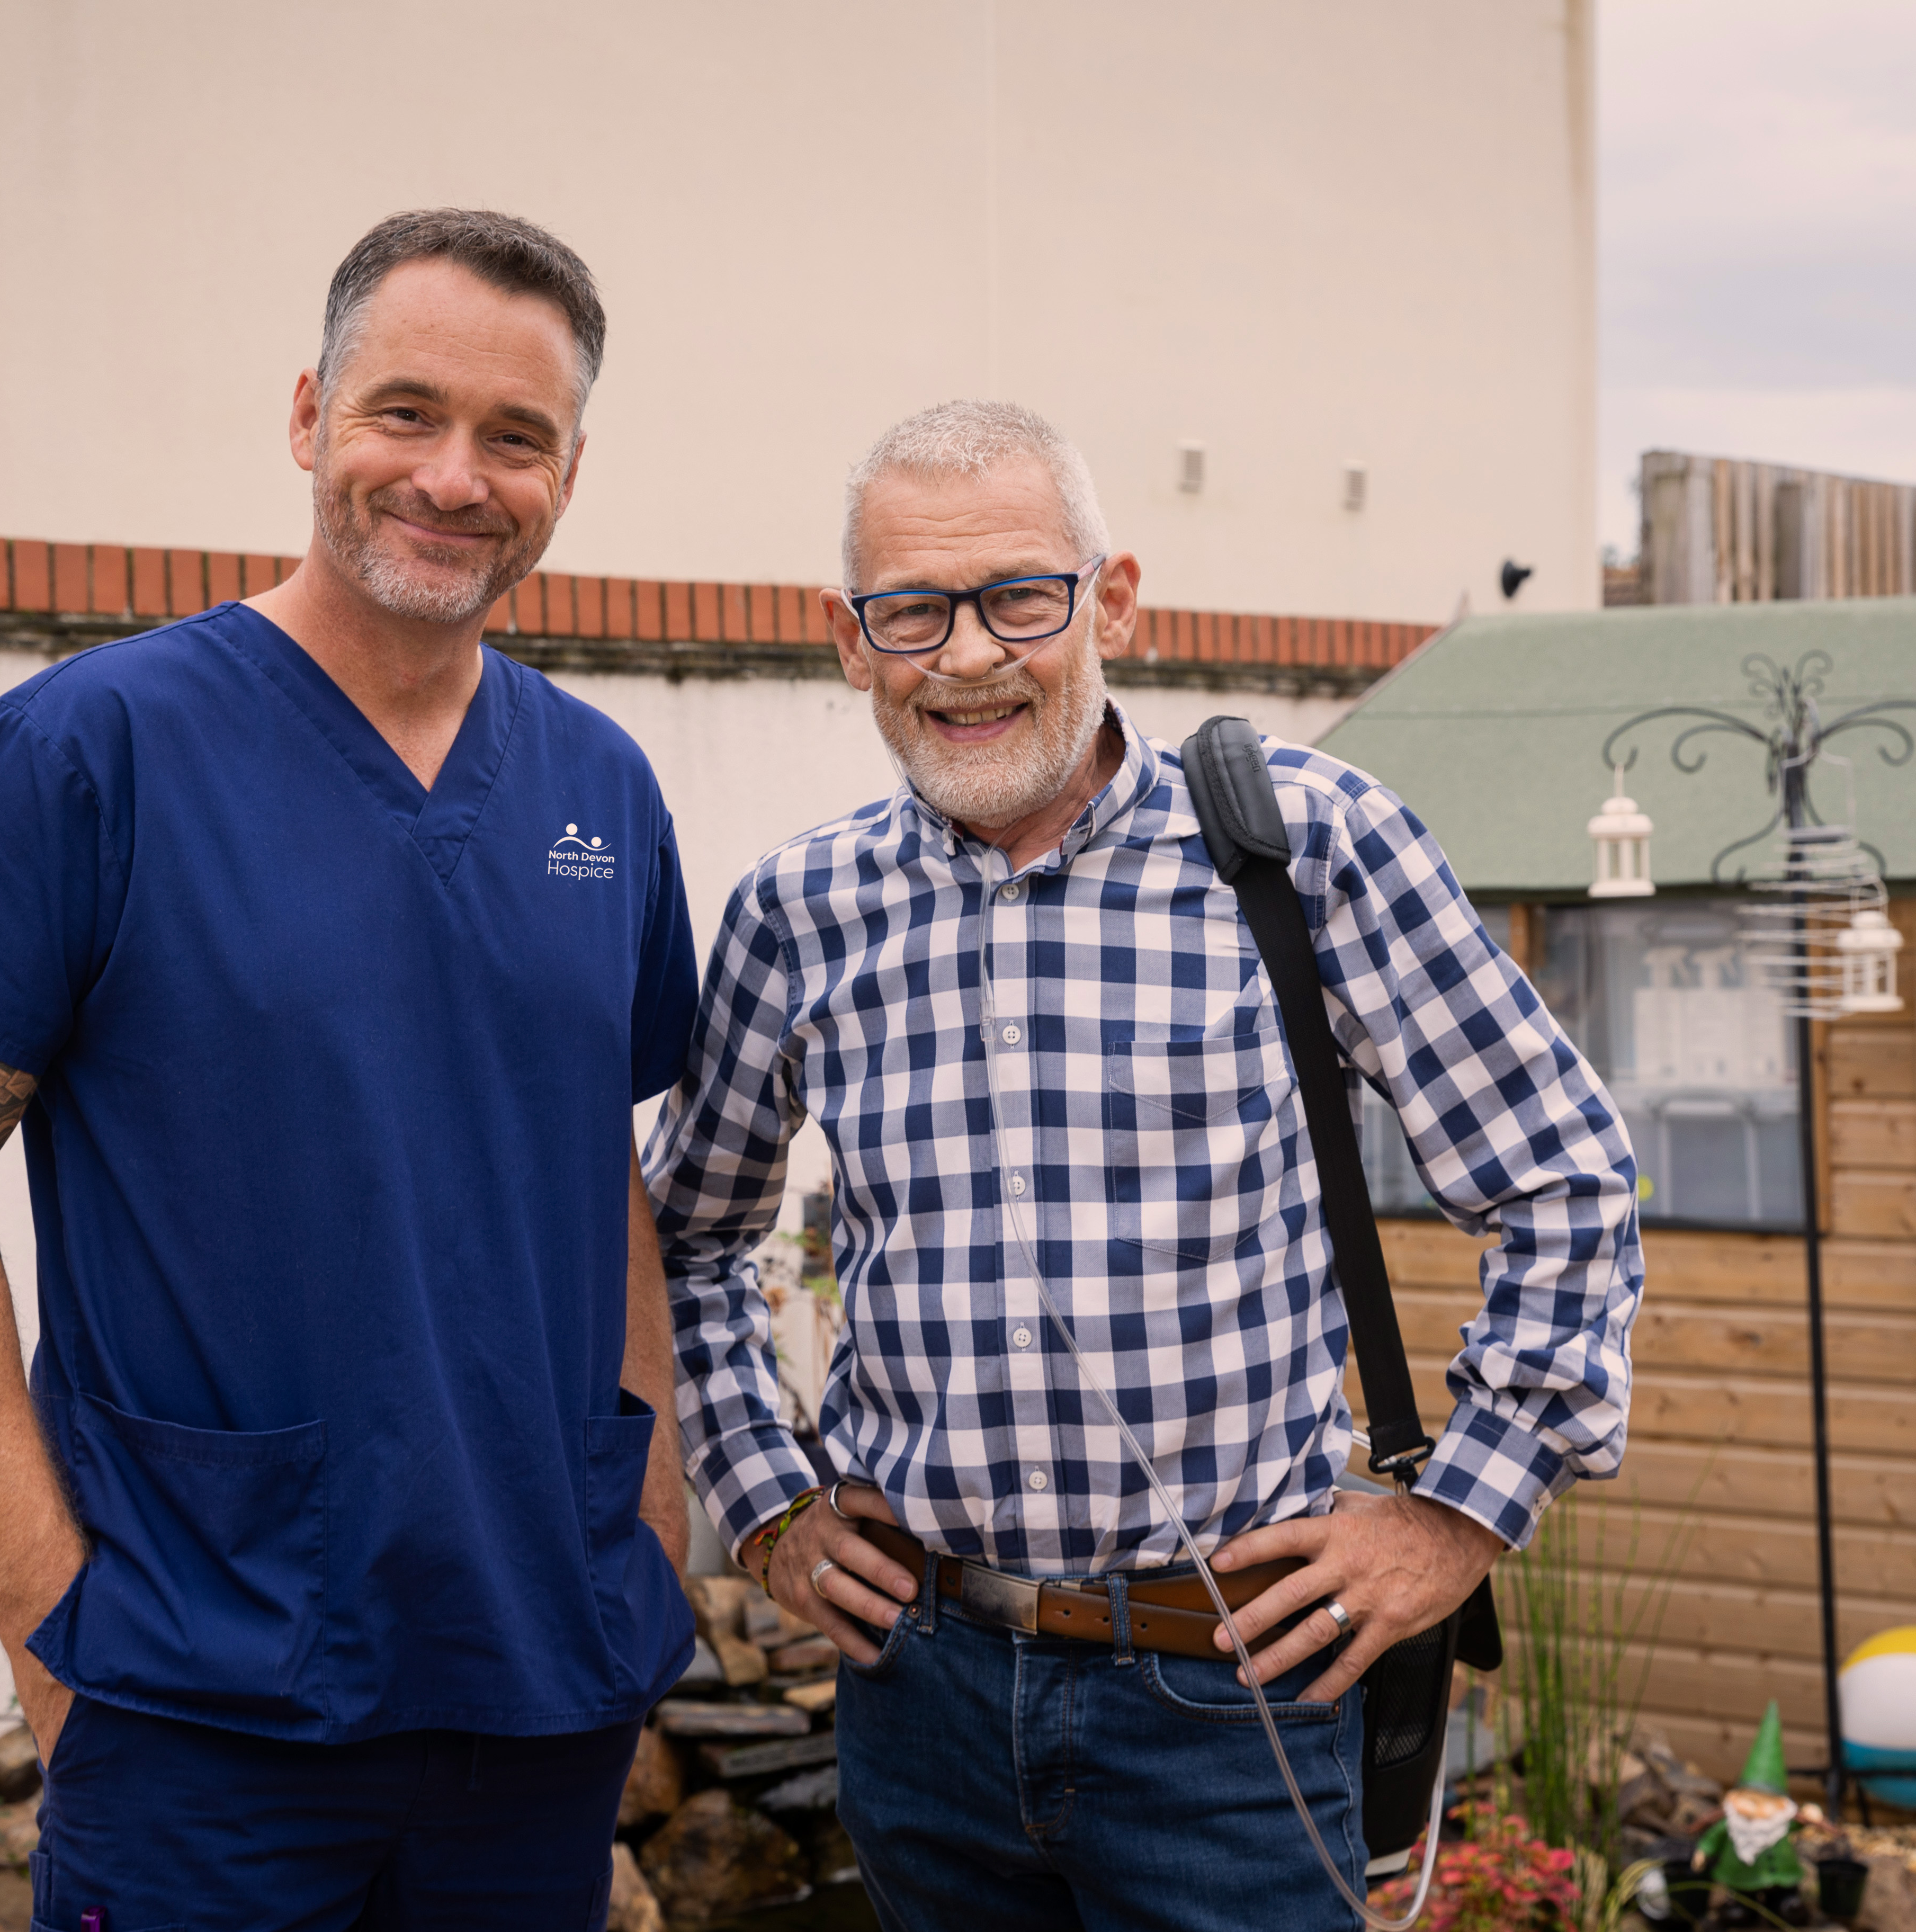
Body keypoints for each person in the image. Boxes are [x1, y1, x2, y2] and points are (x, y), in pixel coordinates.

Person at [647, 401, 1642, 1930]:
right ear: (850, 643)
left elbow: (1564, 1180)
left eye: (1020, 598)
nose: (967, 656)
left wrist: (1460, 1513)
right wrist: (768, 1502)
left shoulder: (1302, 847)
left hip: (1229, 1697)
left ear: (1112, 601)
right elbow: (693, 1243)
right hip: (922, 1693)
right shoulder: (803, 910)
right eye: (910, 610)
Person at [0, 209, 700, 1931]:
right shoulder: (89, 750)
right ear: (309, 416)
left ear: (569, 476)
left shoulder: (601, 787)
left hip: (539, 1695)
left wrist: (652, 1531)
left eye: (514, 438)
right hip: (193, 1701)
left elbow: (593, 1170)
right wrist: (42, 1624)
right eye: (406, 412)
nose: (456, 477)